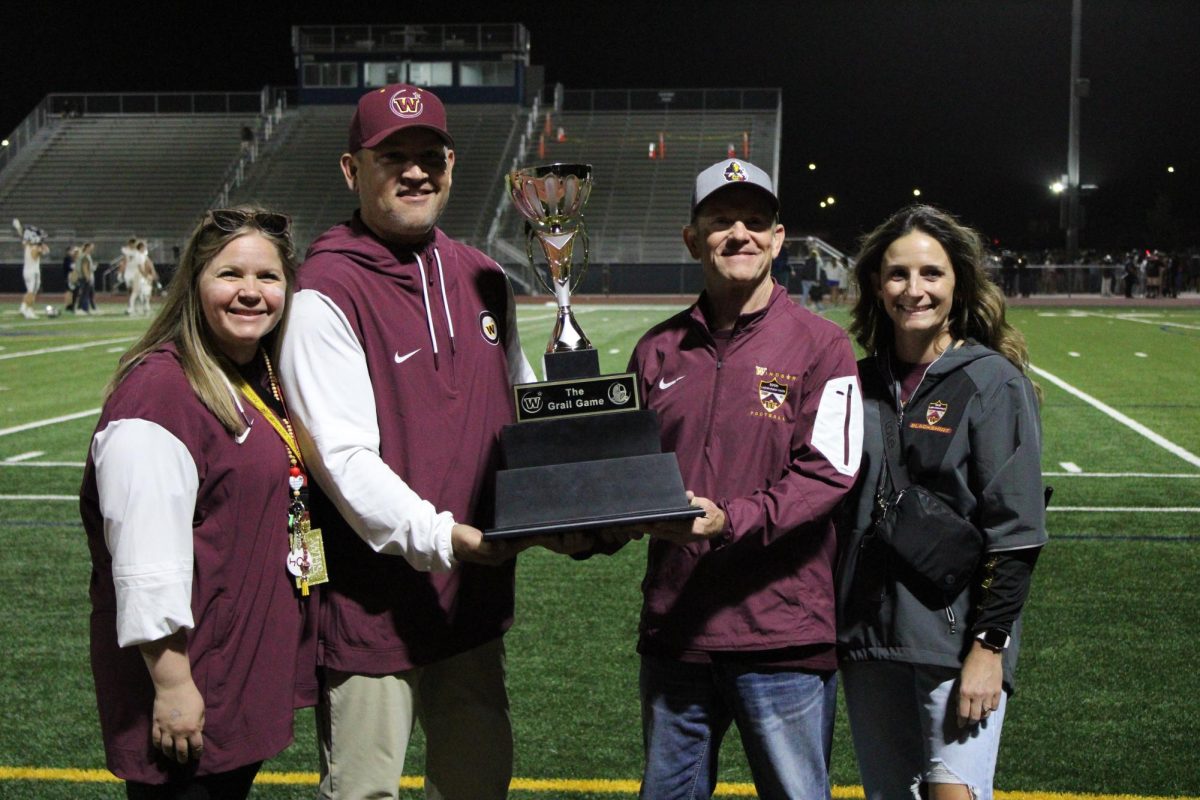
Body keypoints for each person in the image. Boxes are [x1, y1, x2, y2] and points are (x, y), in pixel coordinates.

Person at [277, 83, 538, 800]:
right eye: (393, 156)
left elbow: (524, 405)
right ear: (351, 169)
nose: (416, 171)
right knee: (366, 792)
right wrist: (446, 537)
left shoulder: (485, 276)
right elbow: (343, 460)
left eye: (431, 155)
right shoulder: (324, 290)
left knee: (478, 782)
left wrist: (571, 498)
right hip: (373, 605)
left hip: (471, 597)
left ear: (452, 167)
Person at [619, 159, 863, 800]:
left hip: (780, 632)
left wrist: (732, 519)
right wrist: (589, 520)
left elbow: (829, 474)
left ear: (778, 240)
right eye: (721, 221)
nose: (739, 234)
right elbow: (628, 474)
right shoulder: (656, 350)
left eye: (755, 222)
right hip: (677, 626)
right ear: (692, 238)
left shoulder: (822, 346)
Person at [81, 206, 317, 798]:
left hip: (233, 668)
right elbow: (142, 561)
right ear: (194, 281)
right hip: (193, 680)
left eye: (268, 277)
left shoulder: (251, 375)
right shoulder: (160, 394)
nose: (251, 292)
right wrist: (173, 684)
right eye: (229, 274)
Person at [837, 205, 1047, 800]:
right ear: (877, 286)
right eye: (898, 274)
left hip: (954, 641)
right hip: (867, 636)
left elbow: (1018, 529)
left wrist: (990, 649)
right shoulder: (854, 384)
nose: (915, 289)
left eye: (931, 273)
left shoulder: (991, 381)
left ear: (957, 284)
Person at [15, 219, 50, 319]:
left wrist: (19, 228)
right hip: (33, 272)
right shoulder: (35, 248)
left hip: (27, 271)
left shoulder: (27, 245)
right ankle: (29, 311)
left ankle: (23, 307)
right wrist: (41, 250)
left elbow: (23, 237)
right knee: (32, 292)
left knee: (30, 292)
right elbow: (38, 255)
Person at [76, 242, 98, 314]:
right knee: (85, 294)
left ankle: (79, 308)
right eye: (91, 247)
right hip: (85, 277)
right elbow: (84, 267)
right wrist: (87, 277)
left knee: (85, 293)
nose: (93, 249)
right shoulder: (85, 256)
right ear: (87, 247)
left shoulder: (85, 255)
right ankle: (85, 309)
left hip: (83, 276)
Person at [63, 245, 81, 313]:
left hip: (74, 277)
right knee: (70, 292)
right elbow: (70, 268)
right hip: (70, 277)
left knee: (74, 292)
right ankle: (69, 306)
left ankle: (71, 305)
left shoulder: (73, 259)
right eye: (72, 251)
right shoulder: (68, 258)